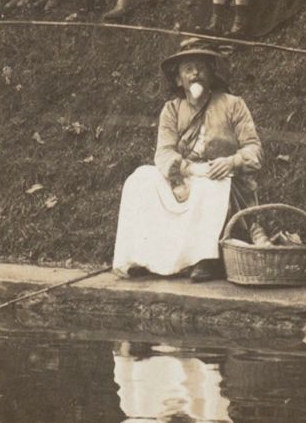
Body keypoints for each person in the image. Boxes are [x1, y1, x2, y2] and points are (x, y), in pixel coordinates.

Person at [112, 45, 262, 282]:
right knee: (140, 178)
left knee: (210, 183)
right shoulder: (171, 110)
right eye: (188, 69)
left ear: (211, 75)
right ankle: (143, 256)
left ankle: (205, 259)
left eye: (201, 68)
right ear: (178, 80)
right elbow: (163, 153)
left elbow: (254, 150)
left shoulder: (233, 104)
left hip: (222, 176)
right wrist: (185, 170)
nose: (195, 75)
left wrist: (232, 161)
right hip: (186, 173)